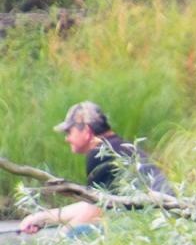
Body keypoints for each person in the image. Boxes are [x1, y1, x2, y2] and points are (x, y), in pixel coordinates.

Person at [20, 101, 174, 235]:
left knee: (75, 234)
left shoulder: (100, 154)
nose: (67, 138)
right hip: (163, 218)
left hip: (154, 222)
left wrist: (63, 238)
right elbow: (94, 203)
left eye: (69, 131)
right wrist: (40, 219)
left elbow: (94, 212)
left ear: (86, 130)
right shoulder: (120, 147)